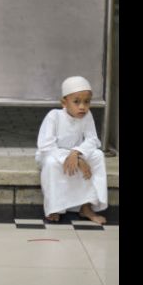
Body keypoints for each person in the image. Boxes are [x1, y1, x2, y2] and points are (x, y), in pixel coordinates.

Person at [35, 76, 108, 224]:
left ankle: (86, 206)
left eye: (86, 102)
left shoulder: (87, 116)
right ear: (64, 102)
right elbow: (47, 146)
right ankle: (54, 208)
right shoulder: (54, 116)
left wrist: (77, 153)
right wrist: (74, 158)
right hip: (53, 155)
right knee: (50, 163)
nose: (82, 107)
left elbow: (92, 140)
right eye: (77, 102)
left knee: (98, 155)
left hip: (77, 154)